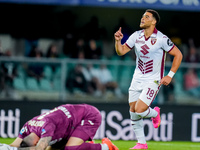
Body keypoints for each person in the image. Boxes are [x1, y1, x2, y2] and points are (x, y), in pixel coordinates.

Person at [114, 9, 182, 149]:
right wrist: (118, 41)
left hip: (153, 80)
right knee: (132, 110)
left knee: (139, 110)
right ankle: (142, 144)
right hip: (137, 78)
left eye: (146, 17)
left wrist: (170, 75)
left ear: (154, 21)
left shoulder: (162, 39)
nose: (142, 18)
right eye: (142, 16)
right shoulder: (136, 35)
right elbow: (121, 51)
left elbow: (178, 55)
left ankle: (155, 113)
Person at [0, 104, 118, 150]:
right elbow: (15, 145)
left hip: (88, 115)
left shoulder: (46, 127)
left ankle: (106, 147)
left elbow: (39, 148)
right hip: (69, 121)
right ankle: (88, 145)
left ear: (36, 141)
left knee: (70, 149)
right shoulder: (27, 127)